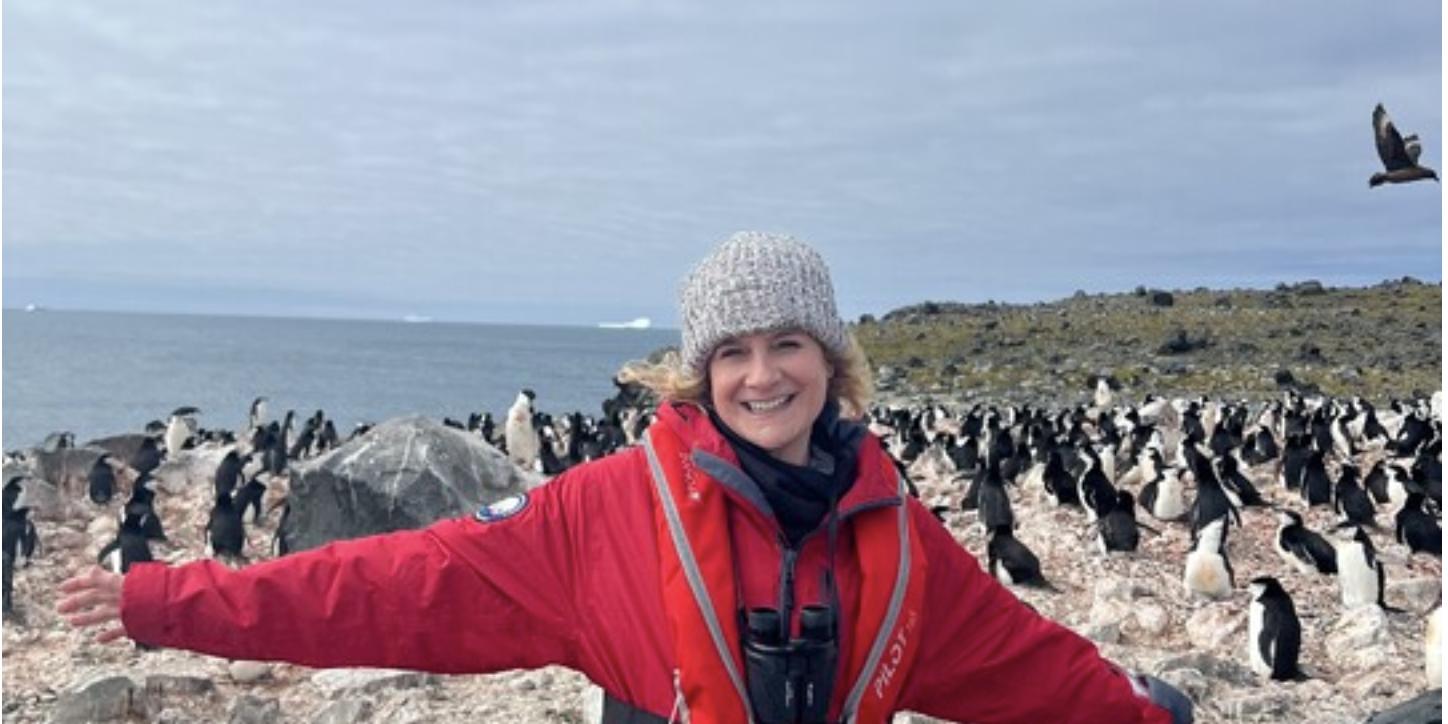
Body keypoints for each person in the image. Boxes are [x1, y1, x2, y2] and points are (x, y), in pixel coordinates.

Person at [59, 231, 1192, 724]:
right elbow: (393, 584)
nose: (762, 375)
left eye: (787, 344)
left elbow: (1014, 659)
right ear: (696, 378)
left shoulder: (889, 528)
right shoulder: (603, 513)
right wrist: (167, 599)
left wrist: (1140, 714)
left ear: (830, 360)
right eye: (732, 353)